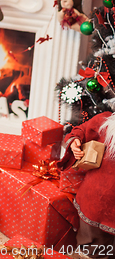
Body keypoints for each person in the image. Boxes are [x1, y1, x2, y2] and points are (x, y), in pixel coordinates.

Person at [58, 111, 115, 259]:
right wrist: (75, 142)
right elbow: (80, 131)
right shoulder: (105, 121)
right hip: (97, 200)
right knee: (91, 246)